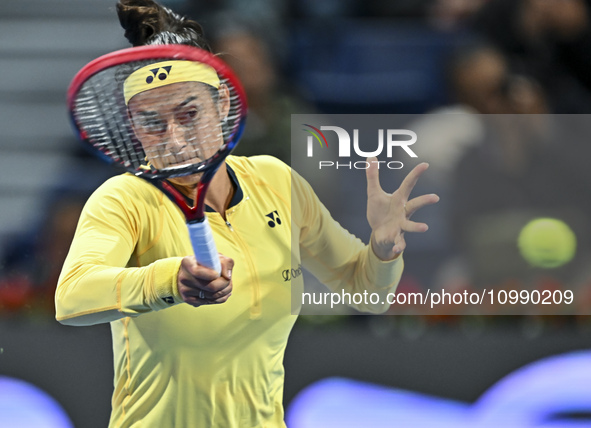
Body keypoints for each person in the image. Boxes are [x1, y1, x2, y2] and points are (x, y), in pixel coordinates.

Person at [54, 1, 439, 427]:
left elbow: (366, 291)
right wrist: (170, 281)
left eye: (189, 115)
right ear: (132, 126)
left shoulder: (276, 182)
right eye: (153, 123)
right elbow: (72, 297)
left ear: (223, 107)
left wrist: (383, 251)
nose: (176, 141)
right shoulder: (124, 199)